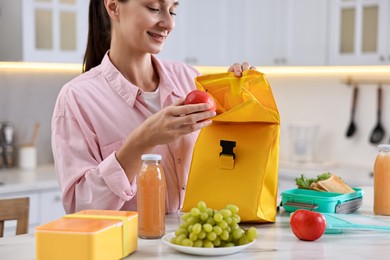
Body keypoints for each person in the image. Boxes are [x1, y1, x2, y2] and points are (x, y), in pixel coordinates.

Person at [51, 0, 255, 214]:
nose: (169, 23)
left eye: (173, 11)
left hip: (198, 245)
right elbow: (78, 209)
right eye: (154, 9)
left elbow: (228, 162)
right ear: (113, 7)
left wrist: (241, 99)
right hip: (129, 247)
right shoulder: (77, 99)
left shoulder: (191, 79)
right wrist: (141, 142)